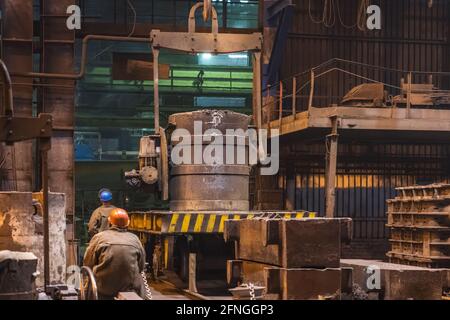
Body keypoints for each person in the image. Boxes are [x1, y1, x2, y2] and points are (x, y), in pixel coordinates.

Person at [83, 208, 146, 300]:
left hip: (102, 289)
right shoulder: (135, 239)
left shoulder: (99, 237)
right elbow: (141, 266)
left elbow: (88, 263)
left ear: (109, 222)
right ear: (128, 223)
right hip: (129, 289)